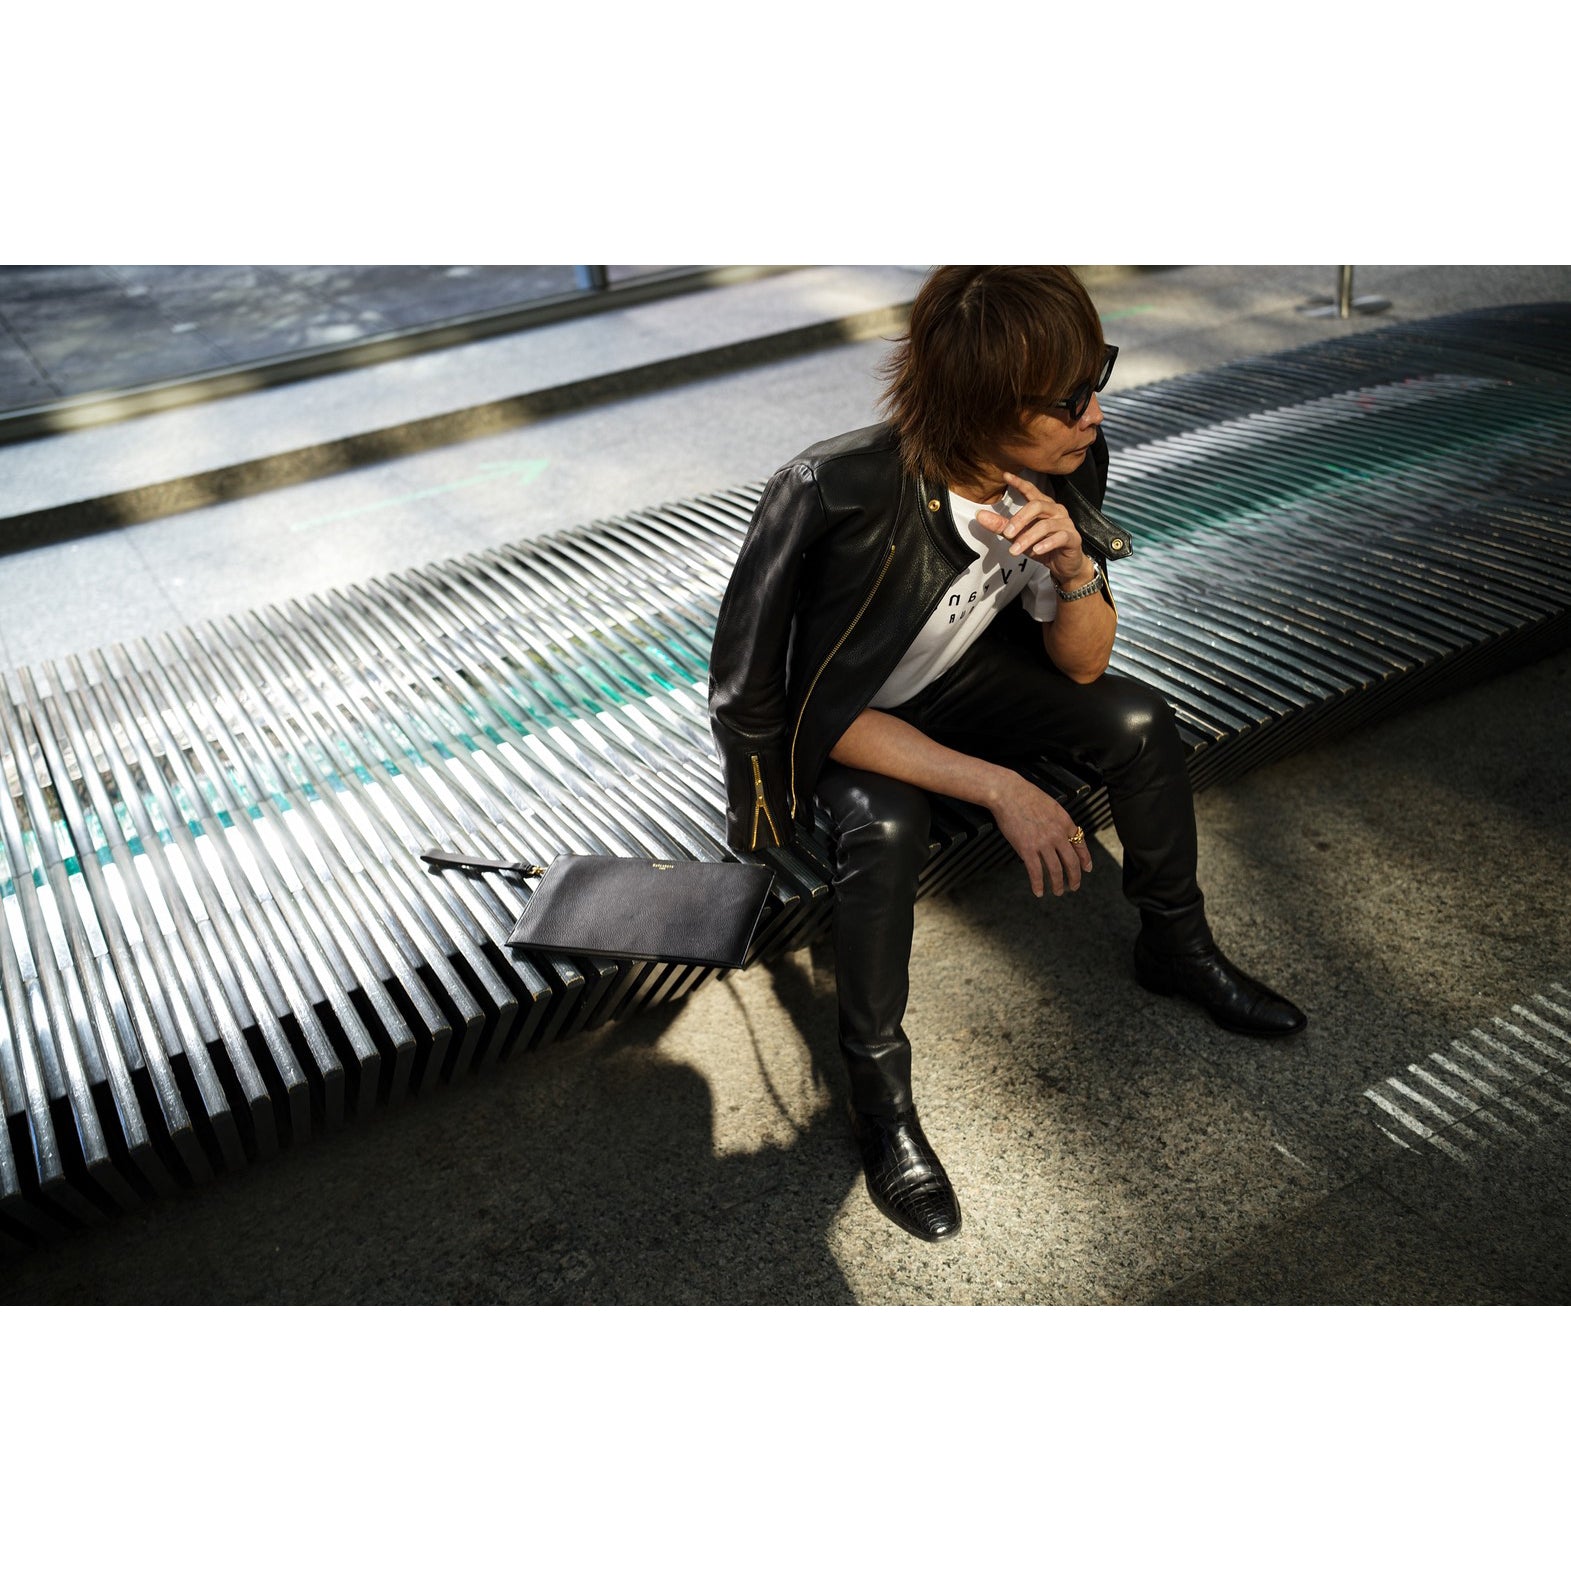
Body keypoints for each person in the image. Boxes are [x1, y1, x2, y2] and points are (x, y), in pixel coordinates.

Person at [708, 265, 1305, 1244]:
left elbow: (1081, 667)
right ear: (981, 403)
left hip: (957, 686)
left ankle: (1175, 947)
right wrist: (999, 786)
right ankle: (878, 1100)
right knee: (886, 828)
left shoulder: (1065, 464)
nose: (1093, 412)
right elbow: (773, 695)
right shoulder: (834, 489)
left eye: (1093, 379)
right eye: (1067, 399)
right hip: (846, 724)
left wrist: (1071, 564)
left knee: (1137, 721)